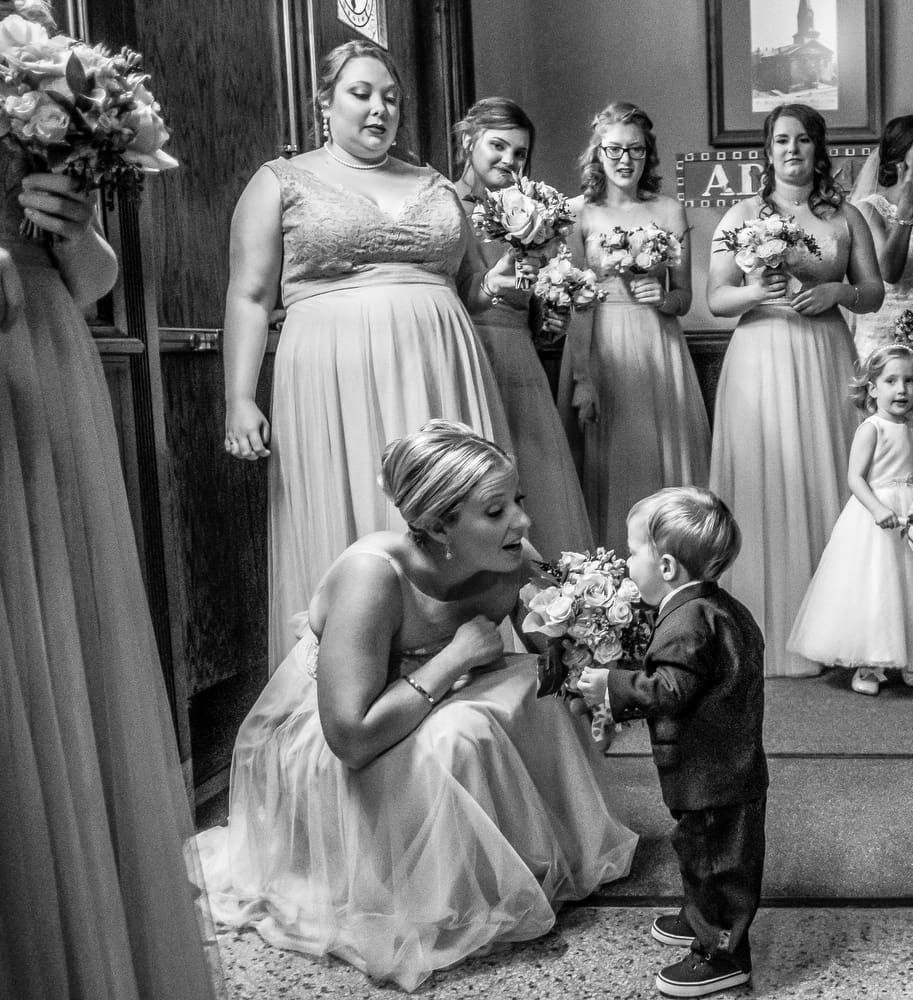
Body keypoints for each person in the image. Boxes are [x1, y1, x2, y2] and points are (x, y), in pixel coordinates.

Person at [196, 420, 638, 992]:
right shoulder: (372, 577)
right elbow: (350, 739)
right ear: (436, 525)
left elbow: (548, 654)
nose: (522, 522)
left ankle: (514, 859)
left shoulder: (511, 556)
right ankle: (424, 885)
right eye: (496, 510)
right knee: (460, 732)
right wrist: (453, 660)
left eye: (518, 501)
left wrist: (588, 665)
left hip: (419, 699)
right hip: (334, 734)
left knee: (536, 688)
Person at [0, 8, 219, 996]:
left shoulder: (39, 60)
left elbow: (90, 279)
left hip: (40, 359)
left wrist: (75, 224)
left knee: (61, 639)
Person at [224, 40, 517, 669]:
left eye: (391, 97)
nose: (379, 109)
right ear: (325, 101)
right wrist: (239, 398)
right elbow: (249, 296)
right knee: (353, 508)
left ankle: (461, 660)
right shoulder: (281, 181)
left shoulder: (435, 183)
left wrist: (510, 281)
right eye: (361, 93)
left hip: (442, 371)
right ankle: (350, 680)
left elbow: (472, 290)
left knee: (458, 515)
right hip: (333, 379)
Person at [706, 103, 884, 678]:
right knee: (766, 478)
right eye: (781, 139)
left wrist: (837, 292)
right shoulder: (740, 213)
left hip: (825, 352)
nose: (792, 149)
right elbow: (716, 299)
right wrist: (756, 289)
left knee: (830, 474)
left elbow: (874, 291)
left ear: (818, 148)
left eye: (803, 140)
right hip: (760, 358)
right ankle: (762, 625)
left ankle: (843, 628)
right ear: (767, 148)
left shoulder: (846, 216)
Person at [576, 487, 766, 999]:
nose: (624, 561)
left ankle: (722, 953)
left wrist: (610, 685)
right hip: (722, 765)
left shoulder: (686, 622)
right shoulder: (714, 608)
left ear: (665, 565)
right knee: (697, 848)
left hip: (713, 773)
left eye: (632, 550)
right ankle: (700, 915)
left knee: (717, 860)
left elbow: (671, 690)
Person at [787, 345, 913, 694]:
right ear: (872, 388)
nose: (902, 389)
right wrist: (878, 509)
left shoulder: (908, 426)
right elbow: (855, 478)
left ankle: (912, 655)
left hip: (910, 507)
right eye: (891, 380)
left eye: (910, 381)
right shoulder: (871, 428)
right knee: (878, 585)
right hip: (876, 514)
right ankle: (868, 664)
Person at [559, 101, 709, 556]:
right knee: (608, 463)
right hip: (600, 344)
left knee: (658, 463)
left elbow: (683, 297)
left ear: (649, 155)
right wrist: (583, 378)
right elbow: (575, 299)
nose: (626, 160)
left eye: (637, 151)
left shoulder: (668, 210)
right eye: (615, 149)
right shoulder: (578, 212)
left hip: (657, 344)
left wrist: (663, 299)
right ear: (597, 152)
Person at [454, 96, 594, 562]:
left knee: (533, 475)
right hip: (466, 349)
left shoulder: (532, 211)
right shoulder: (442, 202)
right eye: (498, 146)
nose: (509, 161)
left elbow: (534, 297)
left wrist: (551, 310)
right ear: (468, 139)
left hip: (518, 354)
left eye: (520, 154)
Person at [848, 115, 913, 361]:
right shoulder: (870, 209)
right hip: (883, 338)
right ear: (899, 155)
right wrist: (906, 208)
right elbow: (888, 273)